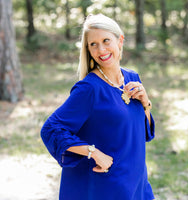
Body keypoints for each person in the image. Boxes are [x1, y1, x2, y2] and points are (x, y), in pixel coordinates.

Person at [41, 13, 155, 200]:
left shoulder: (132, 78)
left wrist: (146, 105)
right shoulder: (89, 88)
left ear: (120, 41)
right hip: (106, 186)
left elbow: (141, 134)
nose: (101, 49)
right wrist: (93, 152)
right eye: (93, 44)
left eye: (106, 40)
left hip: (136, 182)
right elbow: (51, 129)